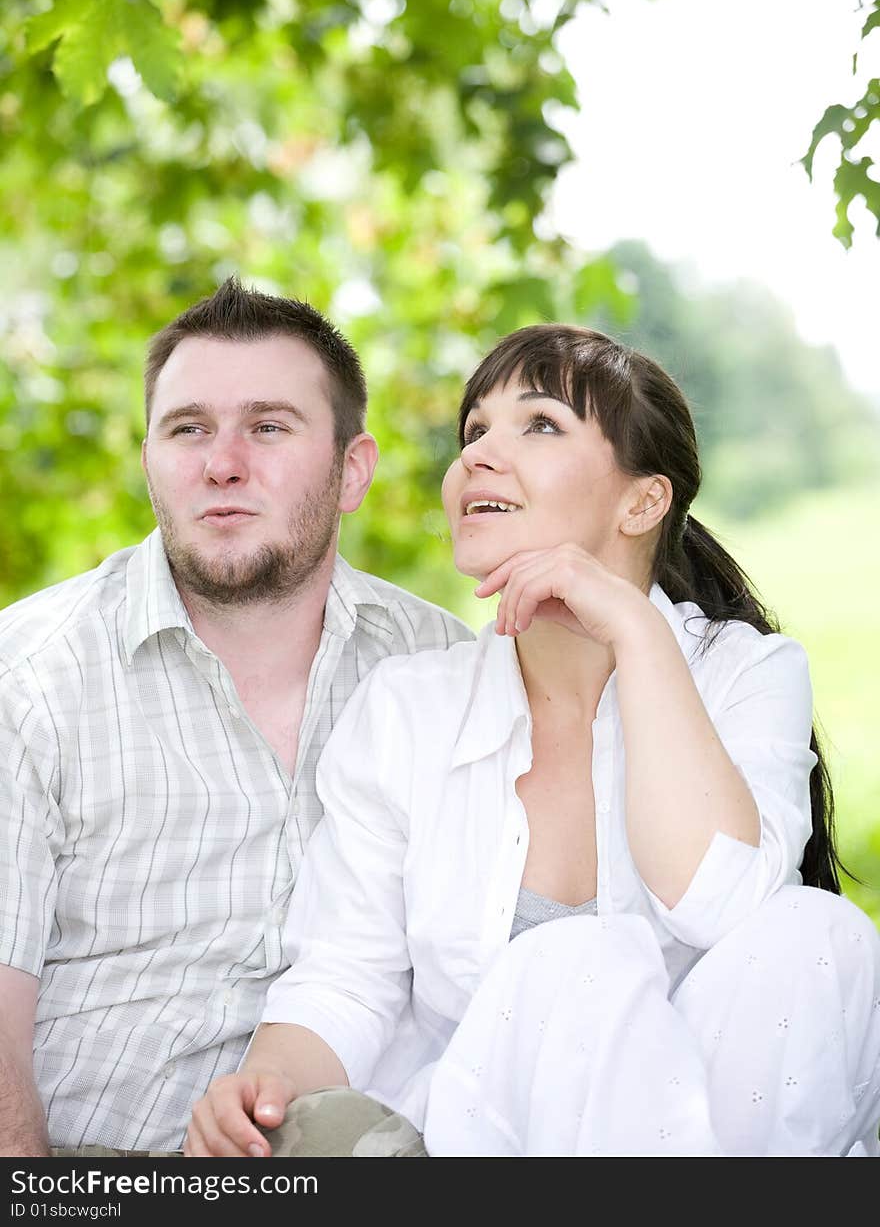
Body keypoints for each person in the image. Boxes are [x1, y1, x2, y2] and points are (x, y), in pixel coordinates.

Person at [187, 323, 880, 1159]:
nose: (480, 454)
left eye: (540, 424)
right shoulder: (409, 708)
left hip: (724, 1131)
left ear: (643, 502)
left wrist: (636, 633)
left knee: (818, 934)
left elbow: (719, 902)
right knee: (574, 966)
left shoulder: (749, 674)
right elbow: (344, 977)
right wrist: (262, 1088)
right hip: (486, 1142)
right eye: (475, 430)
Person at [0, 277, 472, 1157]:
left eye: (267, 426)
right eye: (188, 429)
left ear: (352, 470)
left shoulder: (440, 671)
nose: (222, 462)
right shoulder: (29, 681)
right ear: (149, 463)